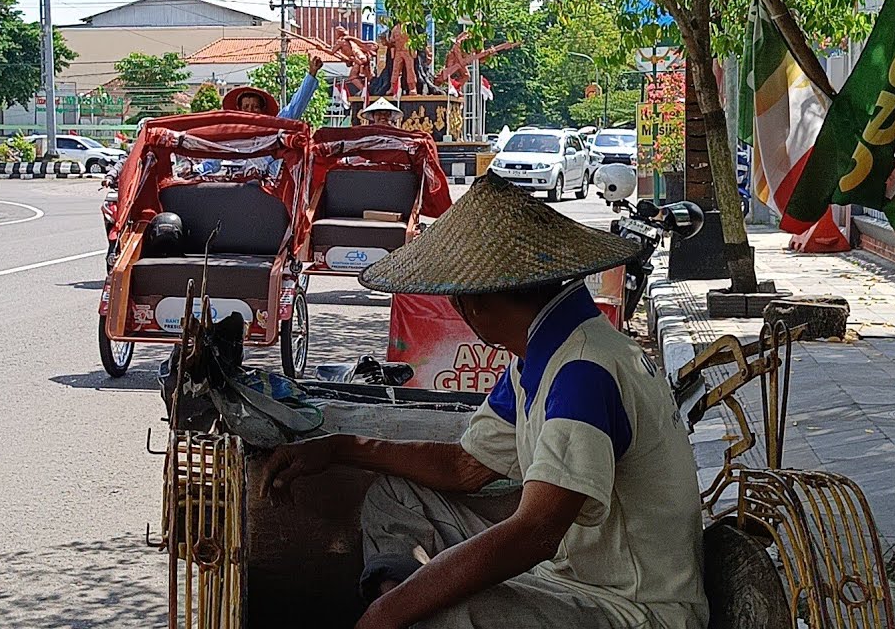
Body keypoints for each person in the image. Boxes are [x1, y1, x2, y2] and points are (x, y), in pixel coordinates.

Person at [261, 171, 708, 629]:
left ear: (473, 305)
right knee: (396, 498)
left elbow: (537, 532)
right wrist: (344, 447)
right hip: (572, 570)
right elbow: (466, 467)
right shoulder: (543, 355)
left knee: (438, 612)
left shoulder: (583, 372)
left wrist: (389, 612)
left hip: (632, 607)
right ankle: (399, 598)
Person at [221, 55, 325, 120]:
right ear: (239, 110)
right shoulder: (226, 133)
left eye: (255, 107)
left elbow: (294, 109)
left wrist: (312, 74)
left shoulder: (272, 128)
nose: (250, 111)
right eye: (246, 107)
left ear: (263, 110)